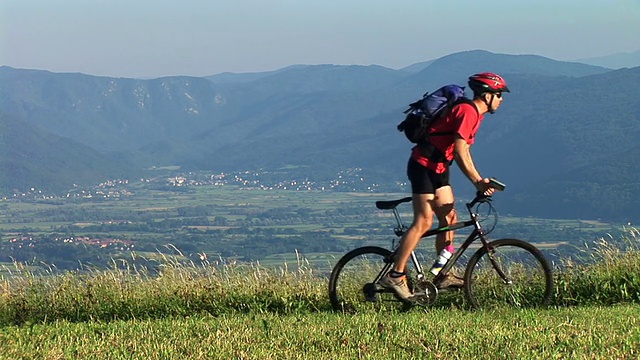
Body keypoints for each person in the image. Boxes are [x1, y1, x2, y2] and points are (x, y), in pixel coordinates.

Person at [379, 72, 510, 300]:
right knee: (423, 221)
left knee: (449, 218)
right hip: (423, 165)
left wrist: (480, 180)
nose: (501, 99)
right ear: (486, 95)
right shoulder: (468, 111)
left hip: (439, 167)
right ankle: (395, 275)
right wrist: (478, 181)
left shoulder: (476, 115)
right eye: (498, 94)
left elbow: (465, 150)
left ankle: (440, 274)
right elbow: (460, 151)